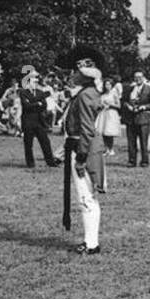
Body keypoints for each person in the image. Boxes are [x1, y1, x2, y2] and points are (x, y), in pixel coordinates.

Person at [62, 63, 105, 254]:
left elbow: (87, 129)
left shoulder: (86, 95)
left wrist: (80, 157)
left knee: (86, 197)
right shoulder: (88, 93)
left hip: (82, 147)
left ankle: (91, 243)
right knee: (88, 197)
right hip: (84, 145)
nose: (74, 76)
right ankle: (90, 241)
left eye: (78, 74)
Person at [19, 67, 62, 169]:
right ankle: (30, 163)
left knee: (45, 141)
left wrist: (33, 103)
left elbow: (44, 105)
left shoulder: (39, 92)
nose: (36, 81)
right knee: (28, 143)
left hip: (39, 121)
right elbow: (26, 106)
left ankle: (50, 161)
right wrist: (37, 103)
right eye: (34, 80)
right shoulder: (23, 92)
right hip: (28, 121)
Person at [121, 69, 150, 167]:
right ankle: (132, 161)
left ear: (143, 78)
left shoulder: (149, 89)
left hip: (143, 119)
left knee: (143, 142)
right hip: (131, 119)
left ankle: (144, 161)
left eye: (140, 77)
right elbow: (123, 101)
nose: (138, 79)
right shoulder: (129, 89)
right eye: (136, 77)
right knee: (131, 142)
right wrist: (127, 106)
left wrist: (144, 107)